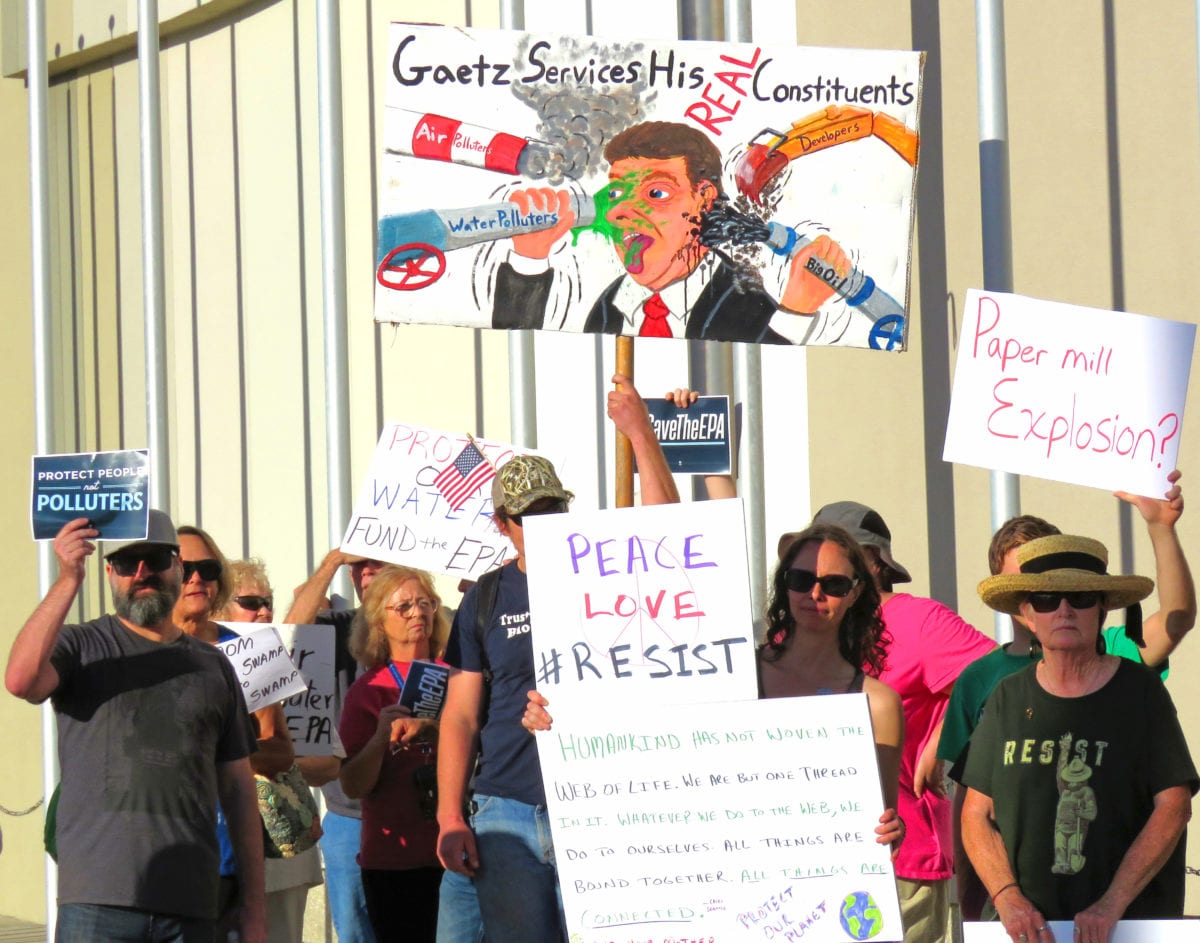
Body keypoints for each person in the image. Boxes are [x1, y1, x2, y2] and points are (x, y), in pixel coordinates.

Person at [436, 378, 680, 943]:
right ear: (502, 524)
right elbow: (461, 715)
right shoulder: (485, 596)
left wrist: (641, 433)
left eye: (552, 511)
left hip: (603, 803)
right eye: (527, 517)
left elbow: (672, 536)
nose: (542, 526)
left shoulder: (608, 566)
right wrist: (451, 816)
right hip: (508, 807)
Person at [522, 521, 906, 860]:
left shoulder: (878, 704)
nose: (815, 594)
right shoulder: (729, 672)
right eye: (801, 580)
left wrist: (892, 830)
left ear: (855, 594)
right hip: (723, 882)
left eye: (834, 584)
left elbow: (882, 824)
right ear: (784, 584)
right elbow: (638, 732)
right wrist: (557, 718)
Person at [938, 471, 1195, 920]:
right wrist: (1005, 898)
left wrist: (1111, 905)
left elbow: (1173, 805)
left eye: (1078, 595)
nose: (1063, 609)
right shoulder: (1000, 693)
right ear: (1025, 611)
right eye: (1046, 598)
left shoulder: (1140, 689)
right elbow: (973, 812)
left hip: (1128, 929)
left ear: (1102, 607)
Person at [4, 511, 266, 943]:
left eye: (155, 559)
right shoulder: (82, 645)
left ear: (178, 568)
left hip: (191, 903)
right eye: (127, 563)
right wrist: (69, 577)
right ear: (110, 572)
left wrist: (254, 909)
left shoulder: (213, 665)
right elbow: (20, 681)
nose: (142, 572)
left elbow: (238, 791)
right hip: (96, 904)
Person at [803, 501, 996, 943]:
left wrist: (944, 736)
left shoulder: (916, 619)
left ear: (873, 562)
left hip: (900, 862)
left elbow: (1003, 678)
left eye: (839, 552)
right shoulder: (797, 628)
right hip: (808, 858)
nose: (821, 568)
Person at [492, 120, 849, 343]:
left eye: (656, 193)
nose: (620, 211)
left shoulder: (746, 303)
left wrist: (797, 312)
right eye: (616, 193)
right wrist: (529, 259)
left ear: (703, 199)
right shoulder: (609, 307)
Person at [174, 527, 294, 941]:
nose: (196, 579)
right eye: (186, 569)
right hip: (152, 855)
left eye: (207, 569)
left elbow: (281, 751)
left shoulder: (253, 649)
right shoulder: (140, 648)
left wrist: (224, 753)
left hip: (224, 857)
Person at [339, 566, 448, 941]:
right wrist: (380, 738)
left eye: (425, 603)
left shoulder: (461, 676)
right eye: (403, 606)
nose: (418, 613)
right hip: (394, 861)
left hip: (458, 850)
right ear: (378, 622)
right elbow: (352, 785)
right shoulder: (367, 690)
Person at [220, 558, 324, 943]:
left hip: (278, 846)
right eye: (250, 602)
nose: (264, 610)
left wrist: (222, 754)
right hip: (213, 852)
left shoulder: (273, 659)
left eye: (268, 600)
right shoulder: (190, 658)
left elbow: (318, 761)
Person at [285, 553, 386, 943]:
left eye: (377, 561)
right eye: (357, 565)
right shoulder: (340, 627)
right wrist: (331, 563)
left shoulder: (426, 620)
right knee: (356, 932)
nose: (366, 571)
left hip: (419, 813)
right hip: (348, 816)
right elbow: (291, 633)